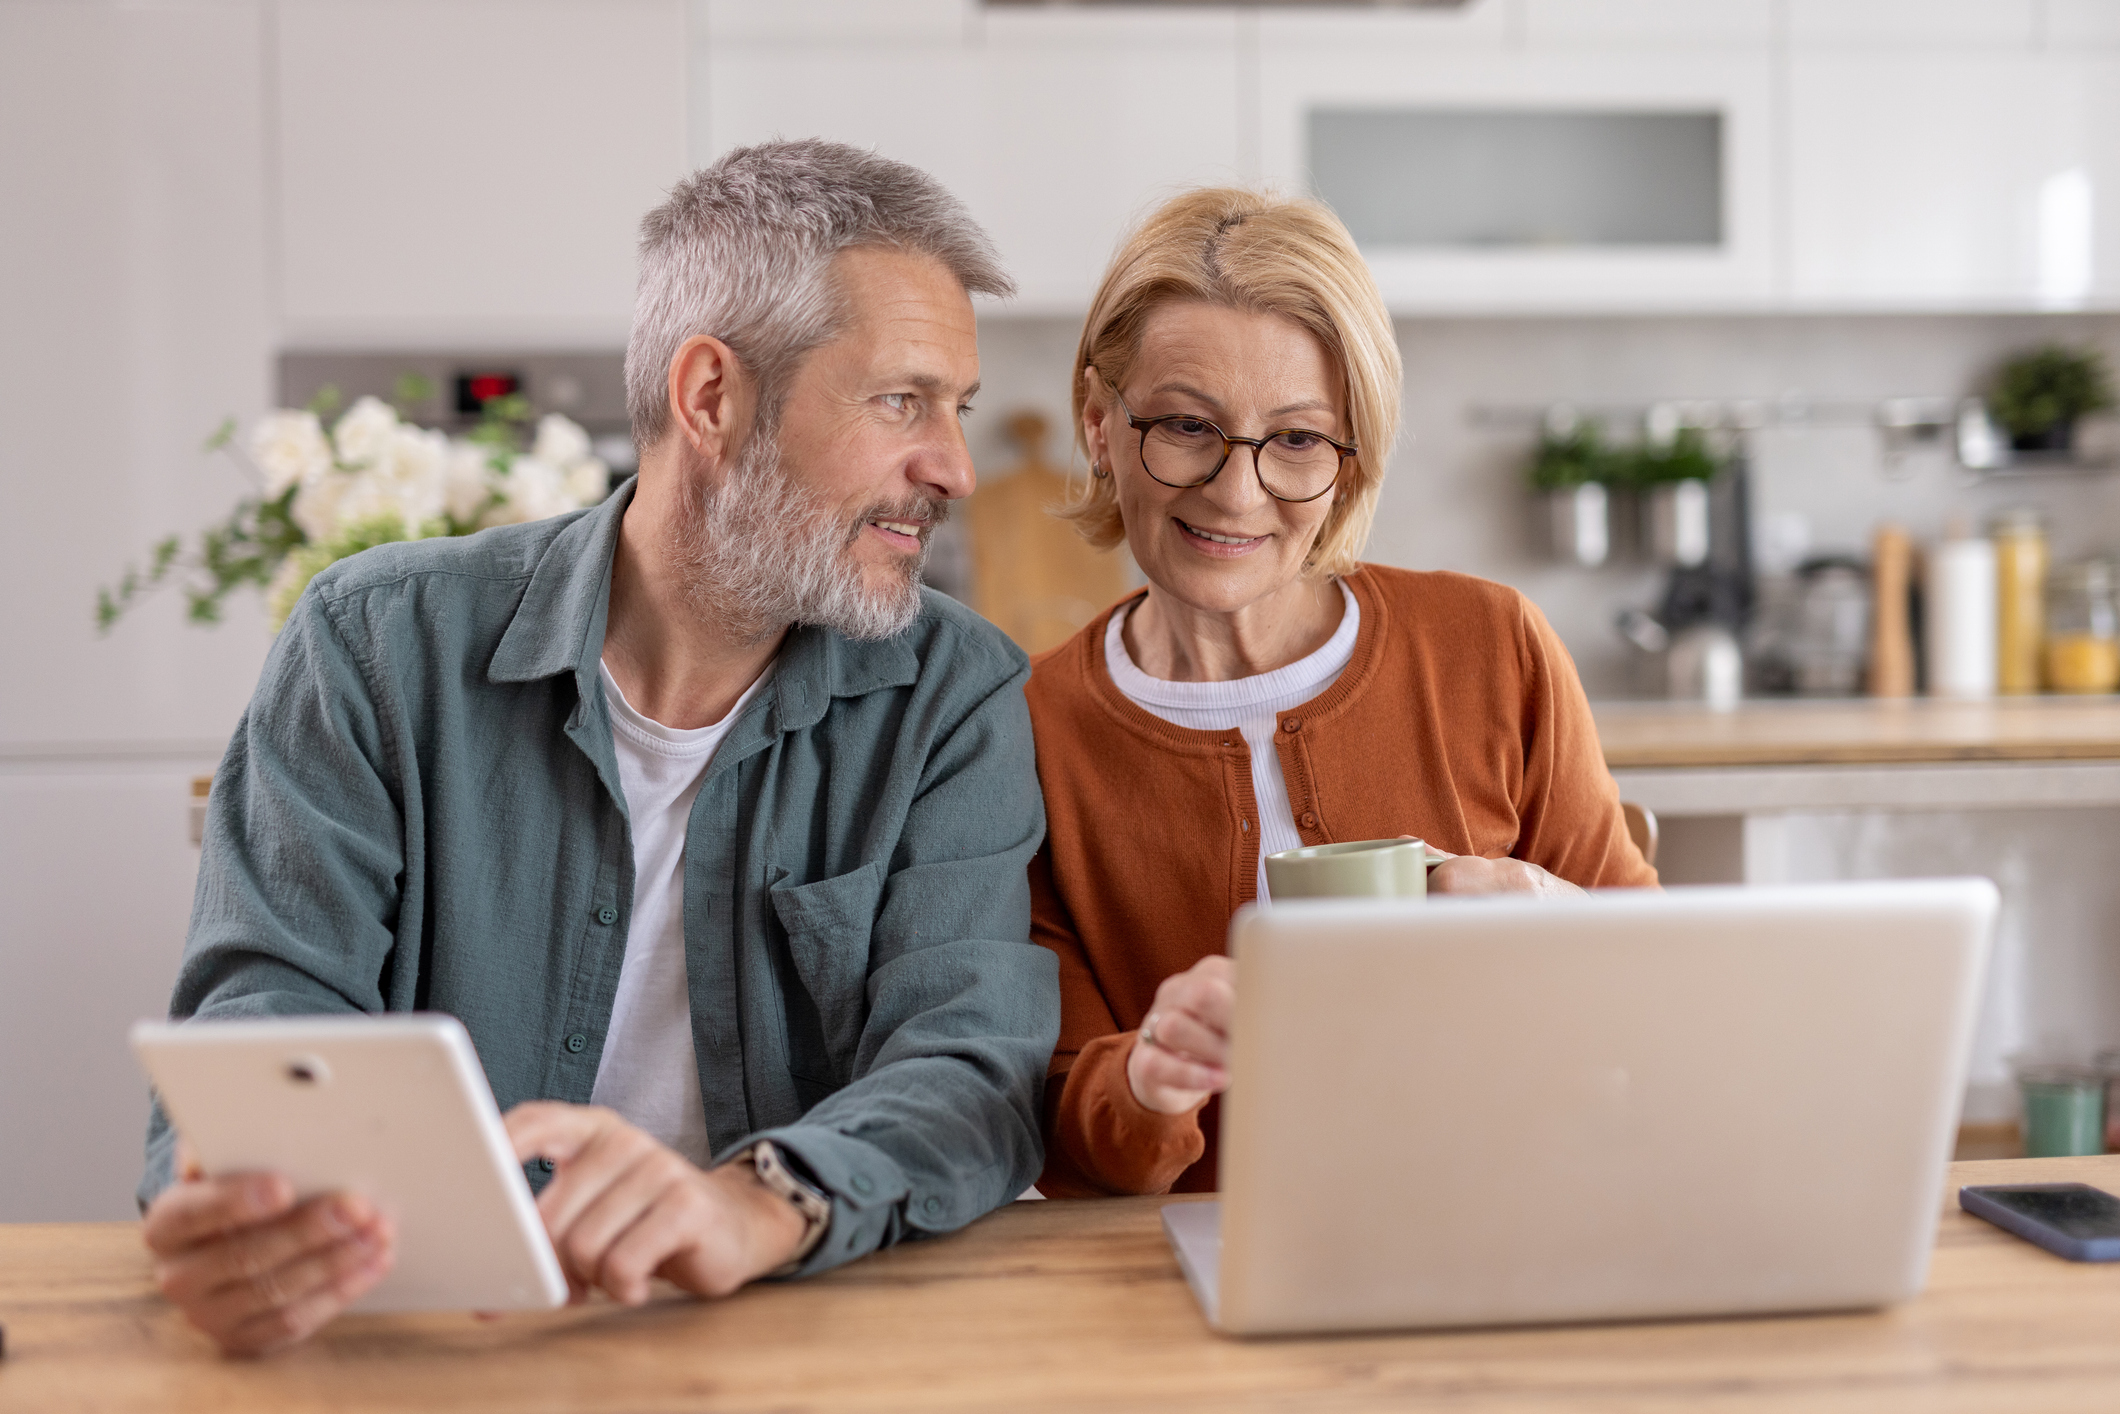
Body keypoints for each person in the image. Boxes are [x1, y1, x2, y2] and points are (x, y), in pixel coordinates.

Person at [139, 140, 1060, 1355]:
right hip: (428, 1339)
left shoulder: (951, 692)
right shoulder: (373, 645)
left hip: (788, 1335)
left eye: (957, 409)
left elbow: (968, 1069)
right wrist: (239, 1208)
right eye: (901, 400)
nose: (949, 465)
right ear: (712, 396)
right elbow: (262, 1015)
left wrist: (751, 1201)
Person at [1026, 188, 1657, 1201]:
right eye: (1186, 426)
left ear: (1350, 455)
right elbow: (1061, 1117)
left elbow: (1658, 995)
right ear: (1099, 425)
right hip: (1193, 1276)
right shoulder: (1030, 731)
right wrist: (1147, 1078)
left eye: (1296, 440)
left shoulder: (1490, 646)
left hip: (1514, 1222)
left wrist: (1549, 910)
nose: (1236, 493)